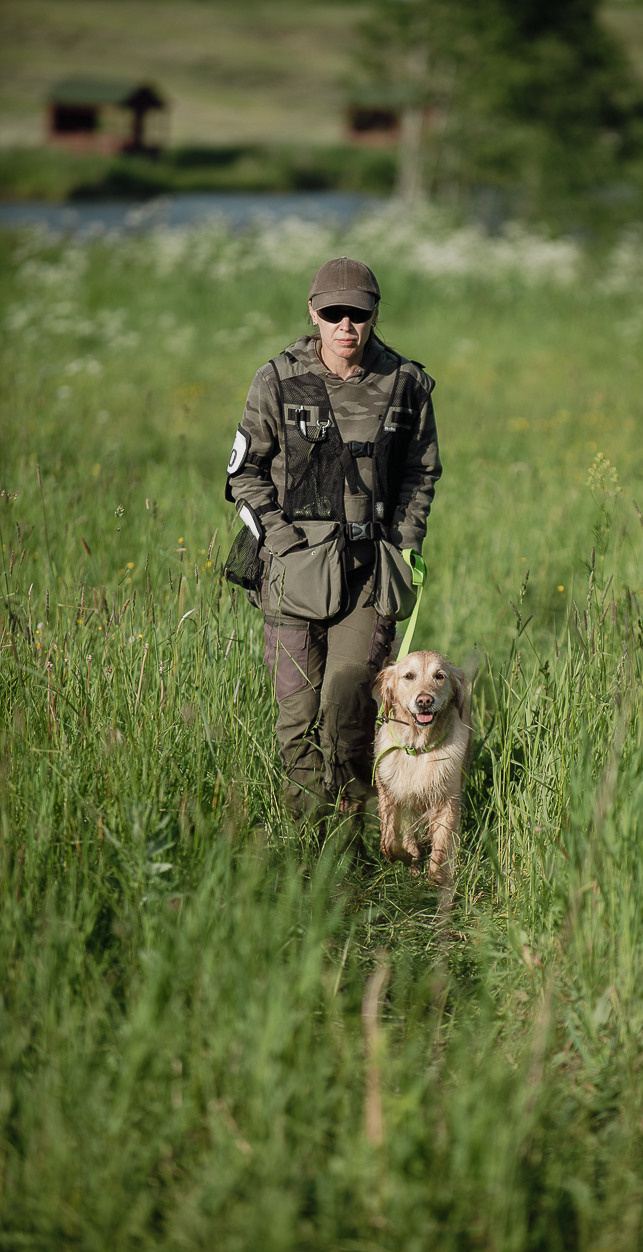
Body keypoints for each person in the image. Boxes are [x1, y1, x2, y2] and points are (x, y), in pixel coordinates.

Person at [225, 257, 441, 839]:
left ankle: (351, 835)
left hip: (369, 575)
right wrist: (281, 539)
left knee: (349, 708)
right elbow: (242, 475)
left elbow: (422, 474)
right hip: (291, 575)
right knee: (297, 718)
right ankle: (308, 841)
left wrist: (404, 544)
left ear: (373, 316)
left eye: (359, 313)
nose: (346, 324)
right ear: (313, 314)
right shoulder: (276, 379)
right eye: (333, 312)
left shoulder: (405, 383)